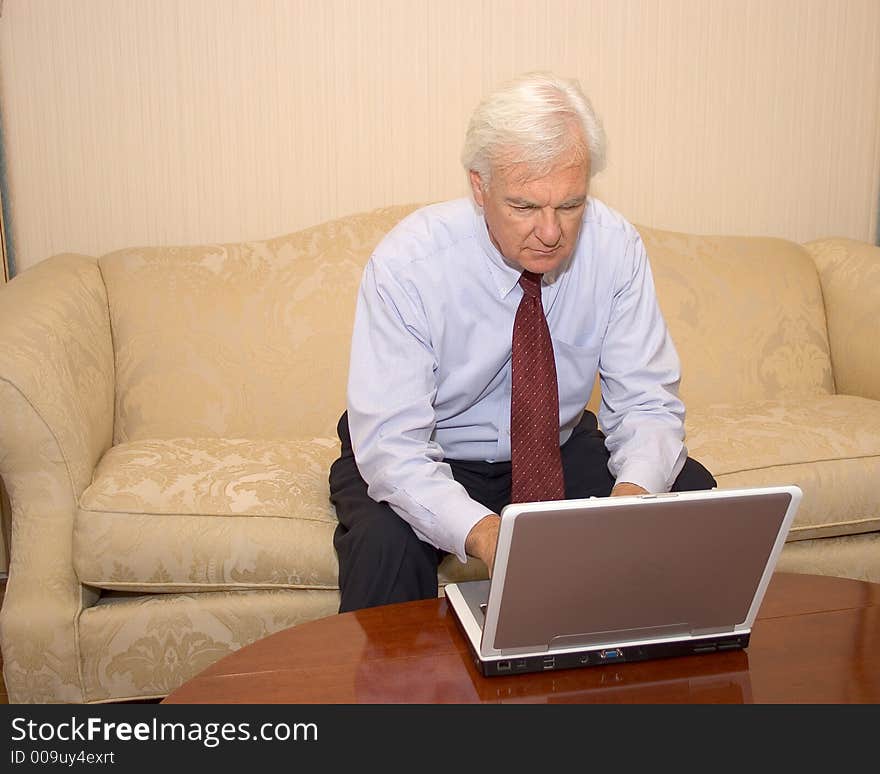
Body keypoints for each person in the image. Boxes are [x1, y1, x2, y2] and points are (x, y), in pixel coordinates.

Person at [329, 71, 716, 613]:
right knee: (383, 546)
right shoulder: (409, 265)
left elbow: (648, 401)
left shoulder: (615, 247)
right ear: (479, 186)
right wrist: (485, 533)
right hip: (431, 443)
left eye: (570, 205)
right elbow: (394, 447)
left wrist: (630, 503)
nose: (552, 232)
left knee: (690, 497)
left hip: (551, 442)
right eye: (526, 207)